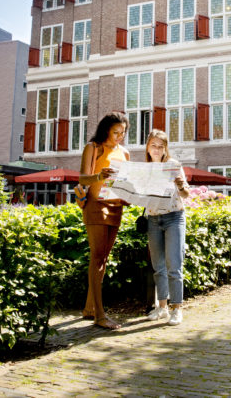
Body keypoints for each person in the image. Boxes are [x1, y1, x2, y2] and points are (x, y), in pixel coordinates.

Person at [79, 112, 130, 329]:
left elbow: (126, 182)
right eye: (116, 132)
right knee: (97, 258)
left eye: (123, 133)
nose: (119, 136)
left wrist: (130, 196)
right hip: (96, 206)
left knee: (104, 259)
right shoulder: (93, 147)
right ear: (106, 130)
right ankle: (100, 316)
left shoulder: (125, 153)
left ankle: (90, 309)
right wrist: (100, 176)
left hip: (116, 206)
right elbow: (82, 178)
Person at [144, 129, 189, 326]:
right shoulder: (143, 169)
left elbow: (186, 194)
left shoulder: (173, 165)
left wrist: (180, 186)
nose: (156, 149)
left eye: (160, 146)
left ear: (165, 149)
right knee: (158, 266)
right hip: (153, 219)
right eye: (153, 145)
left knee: (174, 265)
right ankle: (161, 307)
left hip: (174, 217)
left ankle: (177, 309)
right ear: (147, 147)